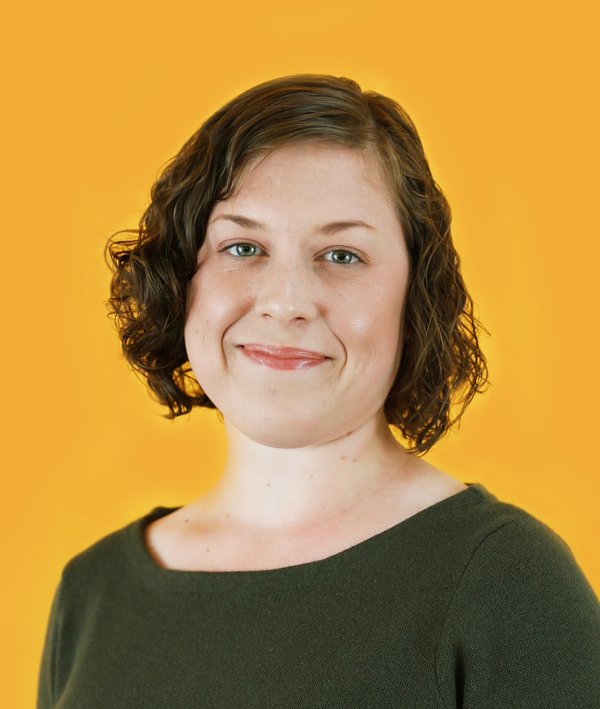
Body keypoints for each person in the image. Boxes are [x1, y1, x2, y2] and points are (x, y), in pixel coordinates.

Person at [37, 74, 600, 708]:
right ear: (182, 280)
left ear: (414, 298)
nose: (285, 302)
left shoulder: (507, 583)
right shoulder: (92, 592)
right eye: (243, 246)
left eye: (340, 255)